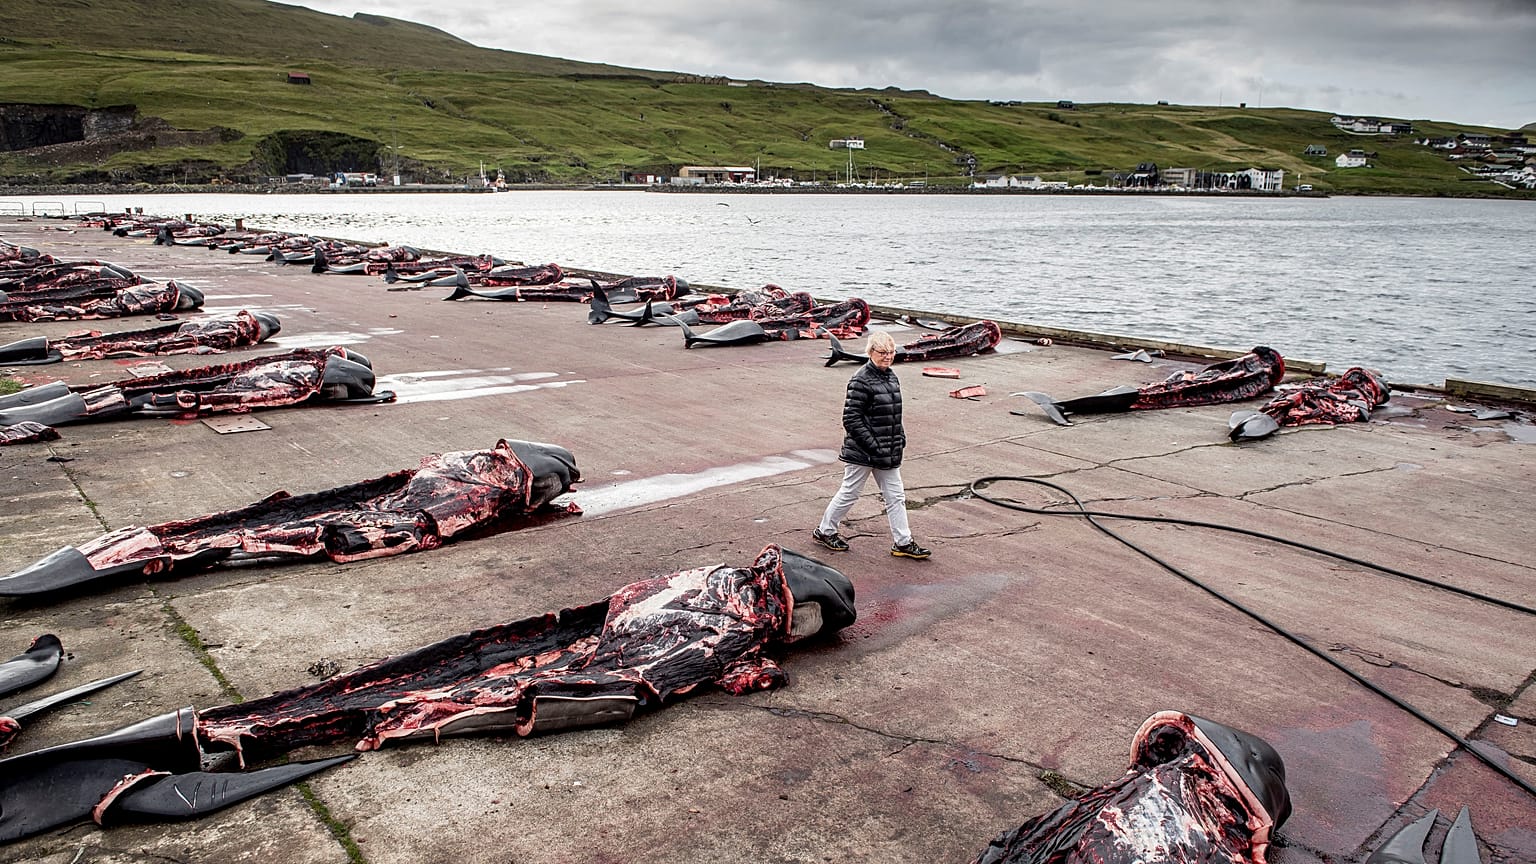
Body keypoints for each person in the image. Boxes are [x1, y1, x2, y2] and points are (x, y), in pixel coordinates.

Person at [813, 331, 931, 559]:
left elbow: (894, 413)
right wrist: (873, 445)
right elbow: (851, 419)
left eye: (891, 352)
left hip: (888, 450)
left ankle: (903, 542)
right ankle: (825, 531)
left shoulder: (891, 376)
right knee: (850, 493)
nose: (888, 357)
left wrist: (900, 437)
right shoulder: (860, 380)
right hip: (864, 452)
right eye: (883, 353)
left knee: (896, 496)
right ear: (870, 353)